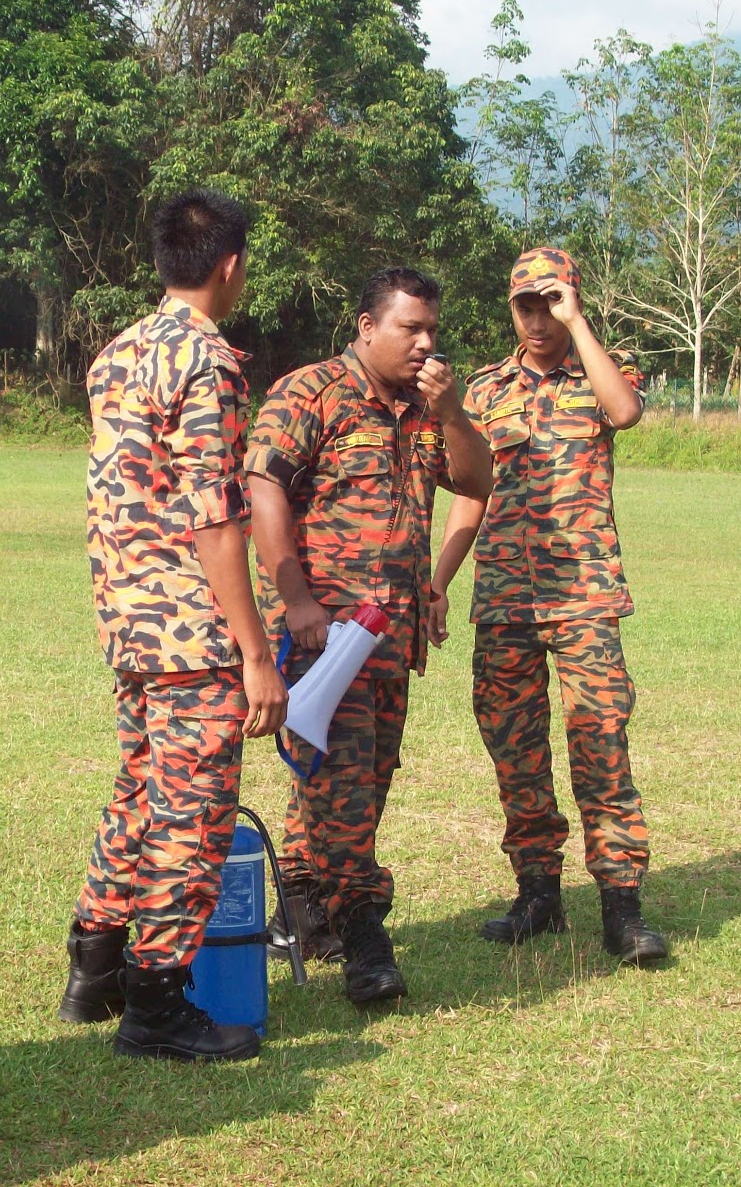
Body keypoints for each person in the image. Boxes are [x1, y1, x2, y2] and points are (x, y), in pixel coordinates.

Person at [57, 188, 287, 1061]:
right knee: (190, 818)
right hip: (192, 629)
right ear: (228, 266)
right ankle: (156, 1006)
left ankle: (95, 969)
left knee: (140, 795)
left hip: (129, 621)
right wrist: (256, 651)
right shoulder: (212, 361)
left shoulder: (115, 353)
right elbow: (213, 515)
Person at [247, 267, 494, 1005]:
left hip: (392, 638)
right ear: (366, 327)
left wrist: (452, 413)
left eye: (432, 331)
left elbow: (478, 481)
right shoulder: (311, 393)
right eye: (409, 328)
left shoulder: (428, 406)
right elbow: (262, 488)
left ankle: (299, 906)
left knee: (356, 780)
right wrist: (295, 600)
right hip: (325, 635)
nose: (424, 344)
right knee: (345, 786)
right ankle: (363, 931)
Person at [430, 247, 669, 965]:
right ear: (510, 307)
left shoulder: (602, 365)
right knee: (515, 751)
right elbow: (472, 493)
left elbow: (623, 411)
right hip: (504, 599)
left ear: (569, 297)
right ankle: (538, 896)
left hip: (582, 596)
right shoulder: (485, 388)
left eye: (549, 301)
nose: (537, 318)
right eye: (525, 305)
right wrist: (440, 579)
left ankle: (621, 907)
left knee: (601, 743)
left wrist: (578, 321)